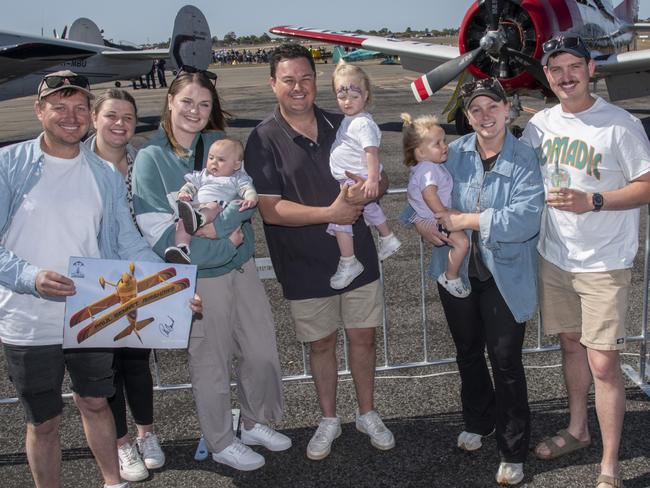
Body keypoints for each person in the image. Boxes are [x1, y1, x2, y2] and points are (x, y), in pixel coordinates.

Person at [0, 70, 162, 488]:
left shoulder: (104, 174)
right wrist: (30, 277)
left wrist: (169, 288)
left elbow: (127, 243)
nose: (70, 116)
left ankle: (113, 482)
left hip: (91, 312)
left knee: (95, 402)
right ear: (40, 111)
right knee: (45, 422)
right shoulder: (7, 165)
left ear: (90, 115)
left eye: (78, 108)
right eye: (59, 107)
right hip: (28, 319)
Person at [132, 67, 289, 472]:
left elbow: (244, 205)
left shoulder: (218, 147)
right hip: (200, 278)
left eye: (204, 104)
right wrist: (222, 239)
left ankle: (254, 422)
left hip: (242, 269)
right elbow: (162, 234)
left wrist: (209, 226)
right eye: (187, 102)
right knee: (211, 363)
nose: (195, 111)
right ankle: (220, 440)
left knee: (262, 353)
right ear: (169, 102)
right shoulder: (150, 159)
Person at [245, 43, 395, 461]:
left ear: (316, 81)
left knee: (363, 338)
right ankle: (328, 418)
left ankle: (367, 412)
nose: (298, 87)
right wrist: (330, 211)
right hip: (304, 265)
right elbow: (271, 209)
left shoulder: (344, 121)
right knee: (321, 345)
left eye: (306, 78)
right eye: (288, 79)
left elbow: (376, 176)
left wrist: (376, 188)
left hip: (358, 258)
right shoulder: (262, 139)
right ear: (273, 84)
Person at [520, 35, 650, 488]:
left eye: (574, 66)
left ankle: (610, 465)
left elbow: (647, 184)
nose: (565, 75)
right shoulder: (539, 126)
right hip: (556, 257)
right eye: (556, 68)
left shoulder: (620, 124)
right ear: (548, 76)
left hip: (604, 262)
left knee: (604, 363)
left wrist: (593, 199)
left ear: (592, 69)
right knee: (570, 346)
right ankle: (578, 429)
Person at [402, 78, 544, 485]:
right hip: (458, 272)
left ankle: (513, 448)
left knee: (506, 360)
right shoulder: (452, 153)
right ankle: (478, 422)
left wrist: (467, 220)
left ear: (507, 109)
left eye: (492, 107)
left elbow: (526, 218)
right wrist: (418, 224)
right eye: (475, 110)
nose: (485, 116)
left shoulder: (524, 158)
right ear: (467, 116)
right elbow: (418, 192)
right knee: (467, 351)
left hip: (506, 274)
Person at [86, 88, 165, 482]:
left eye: (128, 118)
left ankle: (146, 434)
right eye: (111, 116)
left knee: (137, 361)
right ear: (94, 118)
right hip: (95, 281)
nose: (120, 124)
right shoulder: (78, 164)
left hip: (139, 276)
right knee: (107, 369)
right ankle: (120, 444)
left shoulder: (142, 162)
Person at [326, 61, 401, 289]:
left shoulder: (361, 123)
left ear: (366, 95)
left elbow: (371, 151)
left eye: (354, 95)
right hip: (353, 177)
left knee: (340, 219)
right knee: (369, 207)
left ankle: (349, 261)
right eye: (341, 96)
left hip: (355, 179)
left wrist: (371, 179)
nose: (347, 101)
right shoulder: (351, 120)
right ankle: (388, 238)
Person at [401, 112, 470, 298]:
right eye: (437, 144)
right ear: (421, 152)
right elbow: (428, 193)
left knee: (460, 243)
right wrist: (443, 214)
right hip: (435, 219)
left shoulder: (425, 166)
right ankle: (451, 276)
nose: (445, 146)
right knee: (462, 243)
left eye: (444, 141)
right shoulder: (428, 169)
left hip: (429, 218)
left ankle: (451, 274)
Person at [166, 137, 258, 265]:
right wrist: (185, 192)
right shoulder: (203, 175)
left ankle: (199, 219)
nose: (214, 163)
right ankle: (182, 248)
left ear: (236, 164)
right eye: (211, 158)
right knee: (182, 225)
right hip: (195, 209)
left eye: (220, 160)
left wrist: (250, 197)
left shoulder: (237, 178)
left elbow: (247, 189)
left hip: (217, 209)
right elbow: (191, 184)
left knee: (212, 206)